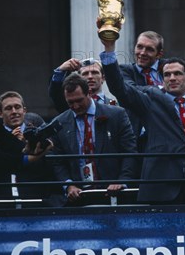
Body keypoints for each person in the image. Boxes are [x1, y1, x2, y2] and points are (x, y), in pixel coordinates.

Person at [100, 37, 185, 204]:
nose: (172, 78)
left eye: (177, 74)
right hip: (162, 187)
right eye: (167, 75)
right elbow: (120, 88)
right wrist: (109, 48)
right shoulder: (151, 101)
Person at [49, 73, 137, 205]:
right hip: (79, 195)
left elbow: (130, 151)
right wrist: (68, 185)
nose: (76, 106)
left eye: (79, 100)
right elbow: (58, 161)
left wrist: (122, 181)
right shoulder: (59, 123)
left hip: (114, 193)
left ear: (89, 92)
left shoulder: (116, 115)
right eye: (70, 102)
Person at [0, 91, 58, 206]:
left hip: (36, 196)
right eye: (8, 108)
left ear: (24, 110)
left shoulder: (38, 130)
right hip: (2, 197)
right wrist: (12, 144)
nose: (14, 112)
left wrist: (27, 143)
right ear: (0, 114)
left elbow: (51, 162)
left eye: (17, 107)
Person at [49, 57, 115, 113]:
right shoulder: (71, 105)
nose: (90, 76)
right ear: (79, 78)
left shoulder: (113, 105)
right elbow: (55, 94)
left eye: (94, 72)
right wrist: (60, 70)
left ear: (103, 78)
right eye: (85, 73)